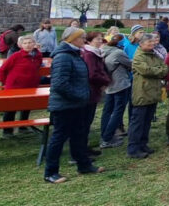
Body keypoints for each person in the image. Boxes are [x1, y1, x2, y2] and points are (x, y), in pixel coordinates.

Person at [44, 28, 104, 183]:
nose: (84, 40)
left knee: (79, 135)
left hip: (78, 104)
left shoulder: (76, 54)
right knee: (59, 137)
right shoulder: (63, 57)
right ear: (72, 38)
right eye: (82, 37)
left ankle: (84, 165)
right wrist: (80, 95)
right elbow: (59, 84)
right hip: (65, 105)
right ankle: (50, 172)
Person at [129, 34, 168, 159]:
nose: (152, 46)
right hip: (142, 92)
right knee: (138, 122)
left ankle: (143, 143)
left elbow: (164, 68)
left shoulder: (154, 54)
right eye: (149, 44)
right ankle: (133, 148)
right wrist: (157, 70)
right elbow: (146, 71)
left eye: (153, 44)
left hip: (153, 92)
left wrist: (157, 70)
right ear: (141, 44)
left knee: (147, 121)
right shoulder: (139, 56)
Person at [0, 35, 43, 137]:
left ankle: (23, 126)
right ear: (21, 45)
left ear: (34, 44)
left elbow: (37, 67)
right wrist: (6, 82)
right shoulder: (16, 56)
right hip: (14, 87)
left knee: (26, 107)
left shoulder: (37, 56)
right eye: (25, 43)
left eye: (30, 43)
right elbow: (2, 70)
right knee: (11, 109)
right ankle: (7, 131)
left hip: (30, 86)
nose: (27, 45)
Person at [100, 34, 131, 148]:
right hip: (120, 84)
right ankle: (108, 138)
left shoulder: (103, 50)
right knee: (118, 111)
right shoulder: (119, 53)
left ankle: (104, 134)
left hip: (109, 85)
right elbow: (130, 64)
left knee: (107, 111)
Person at [82, 32, 111, 154]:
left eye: (101, 39)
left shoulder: (96, 53)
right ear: (89, 41)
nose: (100, 41)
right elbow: (92, 74)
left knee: (88, 120)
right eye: (97, 39)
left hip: (95, 90)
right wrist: (106, 81)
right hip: (90, 89)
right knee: (84, 121)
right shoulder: (89, 54)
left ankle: (85, 146)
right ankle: (81, 149)